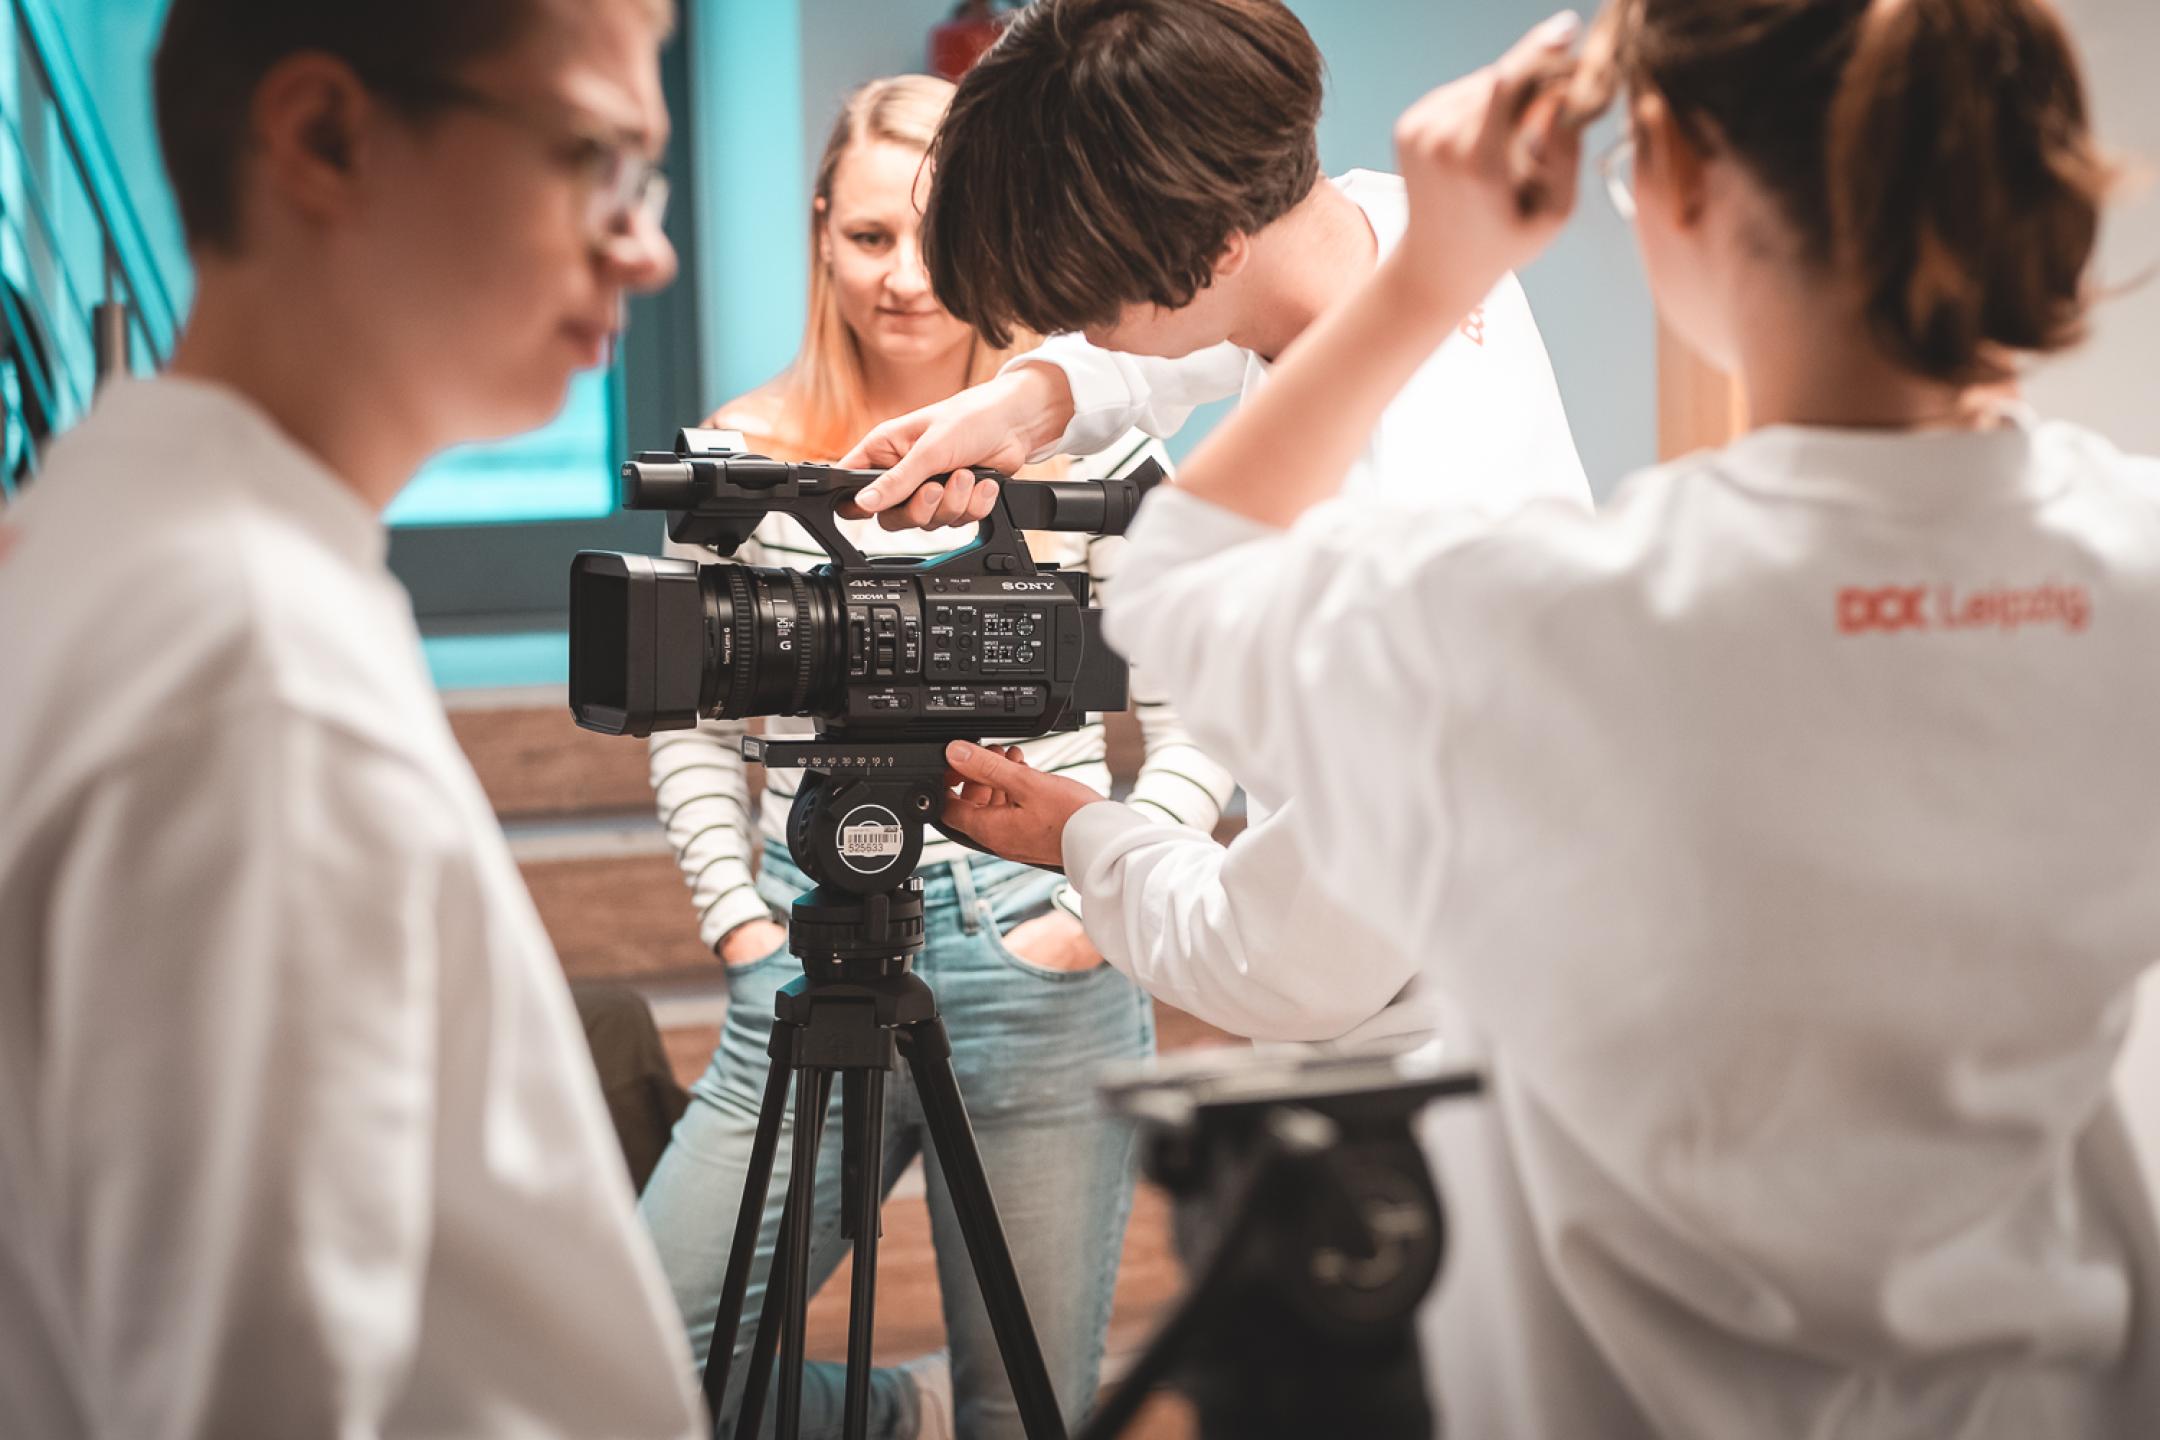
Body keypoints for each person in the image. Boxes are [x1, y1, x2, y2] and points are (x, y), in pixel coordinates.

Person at [960, 1, 2160, 1434]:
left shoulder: (1557, 619)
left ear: (1685, 184)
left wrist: (1431, 274)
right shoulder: (2133, 555)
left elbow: (1181, 575)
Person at [0, 2, 703, 1435]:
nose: (647, 248)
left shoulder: (114, 526)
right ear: (325, 135)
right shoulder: (249, 659)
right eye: (594, 160)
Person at [635, 75, 1225, 1440]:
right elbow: (689, 722)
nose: (905, 282)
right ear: (820, 225)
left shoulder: (1098, 451)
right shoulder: (731, 461)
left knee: (1023, 1412)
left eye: (942, 240)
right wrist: (734, 922)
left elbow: (1209, 718)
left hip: (1036, 950)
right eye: (869, 239)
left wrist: (1091, 914)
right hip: (805, 931)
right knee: (638, 1373)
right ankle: (881, 1419)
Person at [845, 0, 1593, 1052]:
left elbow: (1289, 968)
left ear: (1214, 245)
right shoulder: (1402, 233)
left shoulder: (1382, 551)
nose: (1079, 328)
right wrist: (1029, 401)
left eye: (1087, 307)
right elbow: (1231, 321)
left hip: (1453, 1046)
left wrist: (1084, 838)